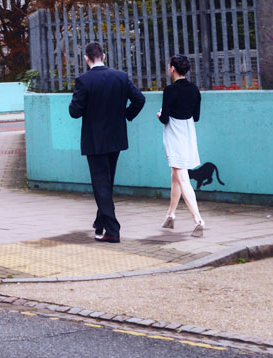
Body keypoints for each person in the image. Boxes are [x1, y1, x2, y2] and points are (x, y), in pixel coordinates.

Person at [67, 41, 146, 243]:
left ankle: (112, 230)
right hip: (116, 138)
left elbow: (74, 112)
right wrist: (126, 115)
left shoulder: (83, 81)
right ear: (104, 56)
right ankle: (100, 222)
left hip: (95, 140)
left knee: (100, 184)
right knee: (106, 182)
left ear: (86, 58)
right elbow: (139, 99)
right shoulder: (120, 77)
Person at [158, 54, 207, 237]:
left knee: (182, 176)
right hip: (188, 133)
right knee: (175, 175)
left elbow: (164, 118)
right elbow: (196, 117)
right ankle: (170, 215)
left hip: (174, 134)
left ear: (172, 68)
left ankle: (198, 220)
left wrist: (160, 114)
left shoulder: (170, 90)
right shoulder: (194, 89)